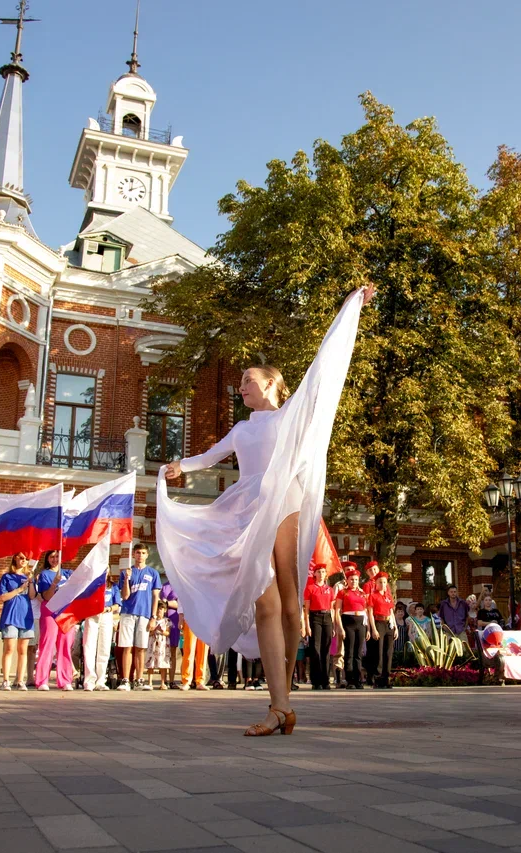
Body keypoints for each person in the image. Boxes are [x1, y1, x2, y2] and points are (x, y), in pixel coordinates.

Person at [157, 285, 374, 736]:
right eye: (239, 383)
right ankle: (278, 706)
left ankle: (285, 700)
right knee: (264, 601)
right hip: (248, 505)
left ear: (273, 384)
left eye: (248, 380)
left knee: (289, 599)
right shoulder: (241, 427)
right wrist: (180, 466)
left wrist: (351, 308)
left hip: (285, 502)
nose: (241, 386)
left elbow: (324, 369)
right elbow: (212, 456)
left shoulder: (291, 413)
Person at [116, 545, 161, 691]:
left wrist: (153, 617)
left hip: (145, 614)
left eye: (143, 553)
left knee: (141, 647)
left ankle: (139, 680)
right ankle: (125, 679)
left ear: (147, 555)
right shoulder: (126, 572)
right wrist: (127, 580)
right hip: (128, 612)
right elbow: (125, 596)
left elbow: (155, 597)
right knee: (127, 647)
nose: (140, 555)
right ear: (133, 554)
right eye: (137, 553)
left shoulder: (153, 573)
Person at [33, 550, 75, 691]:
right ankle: (42, 680)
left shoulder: (68, 573)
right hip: (50, 611)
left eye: (57, 556)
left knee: (65, 645)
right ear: (47, 559)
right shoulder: (45, 574)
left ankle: (65, 680)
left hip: (66, 612)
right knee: (47, 644)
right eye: (51, 557)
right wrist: (54, 584)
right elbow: (46, 596)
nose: (54, 559)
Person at [0, 554, 35, 690]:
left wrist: (30, 582)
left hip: (25, 616)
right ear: (15, 559)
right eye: (21, 558)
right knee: (9, 648)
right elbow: (3, 597)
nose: (24, 560)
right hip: (11, 616)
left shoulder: (29, 577)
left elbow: (32, 596)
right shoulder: (7, 577)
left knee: (23, 650)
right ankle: (6, 680)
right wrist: (19, 589)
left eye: (26, 558)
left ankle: (20, 680)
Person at [81, 561, 118, 692]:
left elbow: (117, 604)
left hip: (106, 616)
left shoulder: (112, 586)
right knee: (89, 647)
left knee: (104, 648)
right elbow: (83, 601)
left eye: (106, 568)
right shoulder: (90, 584)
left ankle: (101, 680)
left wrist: (108, 609)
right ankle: (89, 681)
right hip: (92, 616)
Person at [302, 562, 334, 690]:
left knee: (326, 650)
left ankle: (325, 680)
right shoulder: (310, 588)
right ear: (314, 574)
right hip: (315, 617)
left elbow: (332, 608)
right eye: (318, 572)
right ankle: (316, 681)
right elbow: (306, 610)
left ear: (326, 574)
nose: (321, 574)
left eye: (323, 572)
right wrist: (307, 625)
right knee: (315, 649)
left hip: (327, 618)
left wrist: (333, 625)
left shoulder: (330, 589)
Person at [335, 568, 369, 690]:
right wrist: (340, 628)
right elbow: (337, 610)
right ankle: (350, 680)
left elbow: (366, 611)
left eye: (356, 580)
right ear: (347, 580)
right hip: (348, 621)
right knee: (349, 652)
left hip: (361, 623)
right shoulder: (342, 593)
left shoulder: (362, 593)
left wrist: (368, 628)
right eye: (351, 579)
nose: (354, 581)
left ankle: (358, 679)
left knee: (358, 653)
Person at [367, 572, 397, 688]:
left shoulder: (388, 596)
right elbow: (370, 613)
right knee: (378, 652)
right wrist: (373, 629)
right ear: (376, 583)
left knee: (388, 652)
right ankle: (377, 678)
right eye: (380, 582)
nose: (383, 584)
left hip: (388, 623)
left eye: (385, 582)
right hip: (378, 622)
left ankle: (386, 678)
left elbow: (391, 612)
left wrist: (395, 627)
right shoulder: (372, 595)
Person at [158, 573, 181, 688]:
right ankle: (163, 681)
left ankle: (171, 680)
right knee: (163, 650)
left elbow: (180, 604)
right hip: (164, 619)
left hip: (174, 619)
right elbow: (159, 602)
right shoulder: (164, 586)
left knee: (172, 650)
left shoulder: (180, 586)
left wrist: (167, 603)